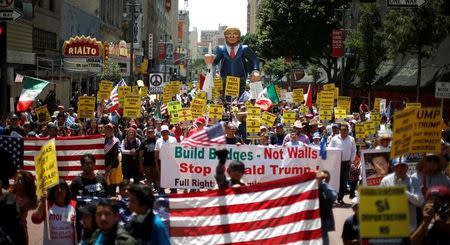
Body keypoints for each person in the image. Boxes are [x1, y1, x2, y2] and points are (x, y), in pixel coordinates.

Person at [204, 27, 261, 98]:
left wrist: (255, 70)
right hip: (225, 81)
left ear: (239, 36)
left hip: (241, 80)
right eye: (229, 34)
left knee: (240, 100)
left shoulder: (245, 49)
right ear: (225, 36)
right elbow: (215, 61)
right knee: (226, 101)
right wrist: (209, 59)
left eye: (235, 34)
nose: (232, 36)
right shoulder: (221, 49)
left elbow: (254, 59)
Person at [380, 157, 424, 232]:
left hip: (409, 226)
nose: (400, 169)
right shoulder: (386, 181)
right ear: (393, 168)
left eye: (403, 166)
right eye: (397, 167)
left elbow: (420, 202)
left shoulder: (413, 180)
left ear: (407, 168)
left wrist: (404, 192)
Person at [31, 180, 77, 245]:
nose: (59, 191)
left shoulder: (73, 205)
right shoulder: (47, 205)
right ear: (53, 192)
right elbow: (35, 219)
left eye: (62, 188)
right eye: (56, 189)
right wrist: (42, 203)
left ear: (66, 191)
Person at [329, 125, 357, 204]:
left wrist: (351, 160)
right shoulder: (334, 139)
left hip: (346, 163)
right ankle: (333, 198)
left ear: (348, 131)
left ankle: (340, 198)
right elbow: (330, 149)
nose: (343, 132)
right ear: (339, 130)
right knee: (335, 181)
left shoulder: (351, 139)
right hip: (336, 163)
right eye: (342, 130)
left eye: (345, 130)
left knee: (343, 182)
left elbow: (354, 151)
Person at [9, 170, 38, 244]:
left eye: (20, 180)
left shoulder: (29, 200)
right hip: (6, 231)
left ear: (26, 183)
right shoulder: (8, 194)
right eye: (16, 179)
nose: (17, 181)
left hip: (19, 232)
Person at [154, 125, 177, 193]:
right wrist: (156, 164)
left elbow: (176, 151)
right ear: (161, 133)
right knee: (162, 178)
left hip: (172, 162)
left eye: (166, 131)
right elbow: (156, 153)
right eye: (163, 132)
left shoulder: (173, 139)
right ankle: (161, 191)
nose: (164, 133)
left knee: (172, 177)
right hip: (162, 162)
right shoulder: (158, 141)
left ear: (168, 132)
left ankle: (173, 190)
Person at [317, 170, 337, 245]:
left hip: (324, 219)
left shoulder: (327, 190)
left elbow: (334, 196)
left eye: (323, 178)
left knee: (324, 238)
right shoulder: (312, 189)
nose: (320, 179)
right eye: (320, 177)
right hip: (313, 219)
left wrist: (323, 184)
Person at [104, 123, 122, 194]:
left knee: (112, 183)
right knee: (105, 183)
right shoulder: (102, 139)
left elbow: (115, 155)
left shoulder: (115, 141)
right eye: (107, 129)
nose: (108, 130)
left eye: (110, 129)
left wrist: (109, 166)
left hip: (113, 165)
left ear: (113, 130)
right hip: (104, 164)